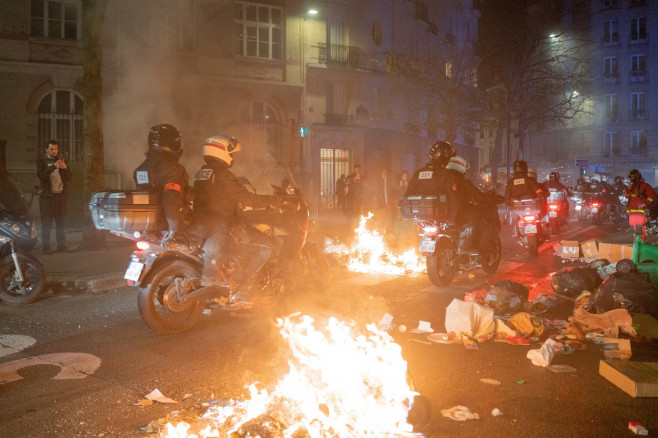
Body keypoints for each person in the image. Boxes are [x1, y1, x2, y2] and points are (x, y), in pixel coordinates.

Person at [192, 135, 283, 306]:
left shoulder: (201, 173)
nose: (232, 158)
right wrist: (273, 201)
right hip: (225, 225)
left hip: (204, 224)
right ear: (222, 152)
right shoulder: (223, 175)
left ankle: (232, 279)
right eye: (231, 154)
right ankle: (244, 290)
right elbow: (246, 198)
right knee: (267, 245)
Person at [133, 124, 190, 241]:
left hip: (148, 226)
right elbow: (171, 199)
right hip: (168, 222)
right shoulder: (172, 167)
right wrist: (175, 228)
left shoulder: (141, 168)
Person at [445, 155, 502, 256]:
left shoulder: (442, 180)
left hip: (443, 214)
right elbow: (480, 197)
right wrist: (494, 199)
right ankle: (465, 245)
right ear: (461, 167)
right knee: (475, 213)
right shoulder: (463, 182)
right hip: (458, 213)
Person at [405, 141, 460, 234]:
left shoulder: (418, 173)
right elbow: (454, 198)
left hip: (421, 219)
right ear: (445, 157)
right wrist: (452, 220)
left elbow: (408, 194)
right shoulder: (446, 174)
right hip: (442, 218)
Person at [37, 140, 72, 254]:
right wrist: (53, 166)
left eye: (56, 149)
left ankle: (61, 246)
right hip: (47, 197)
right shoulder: (42, 161)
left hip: (60, 196)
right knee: (46, 223)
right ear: (47, 149)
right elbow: (41, 176)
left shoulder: (61, 160)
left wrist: (65, 168)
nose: (54, 151)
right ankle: (46, 247)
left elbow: (69, 178)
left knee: (61, 222)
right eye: (51, 149)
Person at [625, 169, 656, 241]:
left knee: (639, 228)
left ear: (637, 177)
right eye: (631, 177)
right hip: (632, 211)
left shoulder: (645, 186)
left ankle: (642, 243)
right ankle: (636, 243)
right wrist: (628, 189)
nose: (631, 179)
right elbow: (627, 196)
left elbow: (651, 197)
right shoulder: (631, 186)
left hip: (641, 212)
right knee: (633, 228)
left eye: (633, 177)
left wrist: (644, 204)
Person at [370, 167, 394, 232]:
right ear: (381, 172)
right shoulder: (378, 180)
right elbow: (374, 189)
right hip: (380, 201)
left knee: (388, 216)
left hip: (388, 201)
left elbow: (392, 190)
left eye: (386, 171)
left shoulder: (389, 180)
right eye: (383, 171)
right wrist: (378, 196)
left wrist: (391, 199)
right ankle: (381, 229)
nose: (384, 173)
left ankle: (388, 230)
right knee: (381, 215)